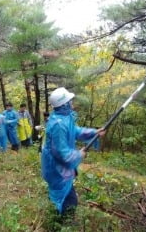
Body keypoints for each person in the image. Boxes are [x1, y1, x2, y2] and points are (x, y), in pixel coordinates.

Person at [41, 87, 106, 217]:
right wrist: (79, 155)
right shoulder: (59, 125)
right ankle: (61, 223)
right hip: (57, 170)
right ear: (64, 104)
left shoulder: (64, 118)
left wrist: (94, 132)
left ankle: (58, 215)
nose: (72, 103)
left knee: (63, 196)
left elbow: (75, 131)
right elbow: (62, 154)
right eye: (70, 101)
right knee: (68, 202)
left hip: (60, 170)